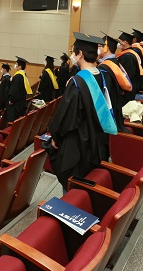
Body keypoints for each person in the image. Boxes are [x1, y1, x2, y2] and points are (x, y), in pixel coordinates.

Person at [45, 33, 117, 189]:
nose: (72, 56)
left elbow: (66, 118)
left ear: (80, 54)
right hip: (96, 143)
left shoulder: (77, 82)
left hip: (79, 146)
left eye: (73, 52)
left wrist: (55, 137)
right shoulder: (102, 76)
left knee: (72, 187)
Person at [98, 33, 133, 132]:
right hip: (116, 106)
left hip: (109, 112)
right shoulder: (114, 62)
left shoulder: (106, 68)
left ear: (106, 48)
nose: (97, 49)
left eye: (99, 46)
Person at [117, 31, 143, 106]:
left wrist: (121, 89)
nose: (118, 44)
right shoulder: (129, 53)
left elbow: (127, 75)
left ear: (125, 42)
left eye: (120, 41)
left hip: (127, 91)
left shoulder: (128, 57)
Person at [8, 56, 31, 122]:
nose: (15, 65)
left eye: (16, 64)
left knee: (14, 120)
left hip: (16, 105)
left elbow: (15, 90)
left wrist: (11, 100)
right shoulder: (23, 75)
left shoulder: (18, 76)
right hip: (21, 101)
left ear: (20, 66)